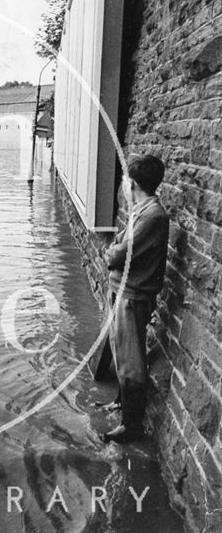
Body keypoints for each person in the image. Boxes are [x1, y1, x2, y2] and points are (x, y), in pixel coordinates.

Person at [100, 154, 170, 444]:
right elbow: (119, 244)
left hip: (133, 295)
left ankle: (131, 426)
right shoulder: (140, 209)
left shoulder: (153, 215)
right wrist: (114, 252)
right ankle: (120, 401)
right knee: (120, 352)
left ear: (133, 183)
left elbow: (120, 252)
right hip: (123, 289)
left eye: (126, 179)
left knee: (131, 360)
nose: (124, 184)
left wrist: (112, 254)